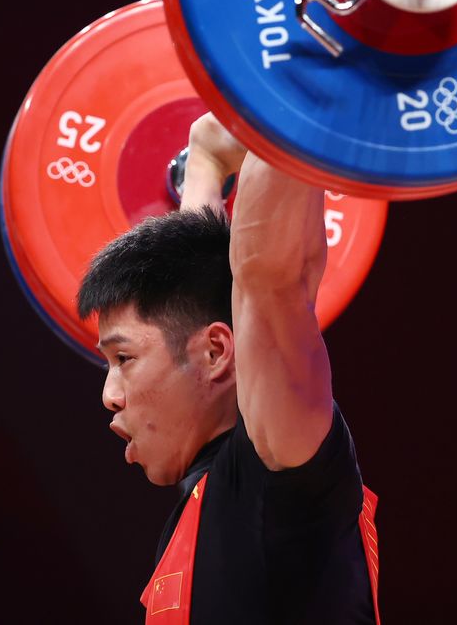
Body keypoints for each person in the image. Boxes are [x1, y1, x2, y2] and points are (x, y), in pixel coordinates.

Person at [77, 113, 380, 624]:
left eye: (124, 359)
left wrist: (280, 99)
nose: (110, 395)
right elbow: (216, 283)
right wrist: (206, 159)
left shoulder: (278, 474)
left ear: (217, 353)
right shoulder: (208, 502)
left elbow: (270, 278)